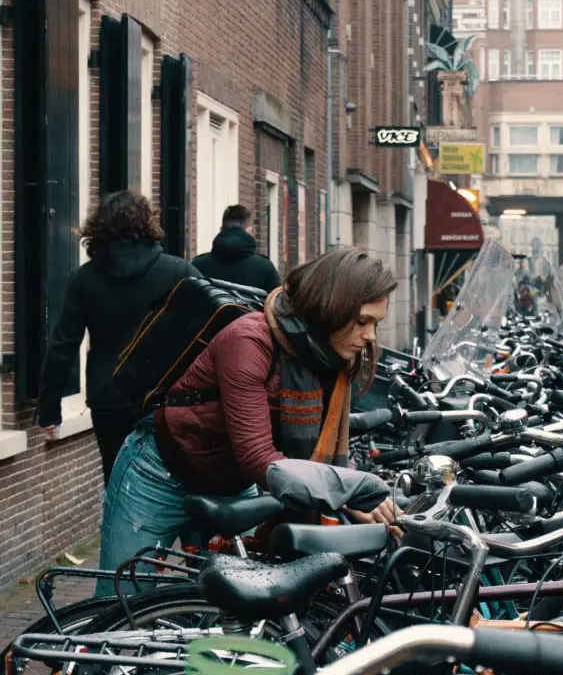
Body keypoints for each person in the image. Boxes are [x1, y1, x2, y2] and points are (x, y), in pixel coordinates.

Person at [96, 248, 399, 591]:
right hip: (159, 474)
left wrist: (347, 490)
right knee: (120, 599)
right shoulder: (249, 339)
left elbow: (321, 441)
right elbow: (258, 457)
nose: (371, 336)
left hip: (230, 481)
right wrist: (344, 492)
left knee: (248, 601)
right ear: (329, 308)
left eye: (376, 323)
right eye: (362, 321)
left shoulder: (328, 357)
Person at [37, 191, 199, 484]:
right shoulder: (178, 272)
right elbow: (212, 325)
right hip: (164, 399)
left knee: (118, 484)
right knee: (175, 485)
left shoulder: (84, 279)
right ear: (146, 223)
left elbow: (63, 345)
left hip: (108, 400)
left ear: (98, 228)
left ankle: (119, 529)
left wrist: (49, 410)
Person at [193, 204, 280, 292]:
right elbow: (277, 303)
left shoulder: (197, 265)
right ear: (249, 231)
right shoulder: (265, 267)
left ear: (221, 230)